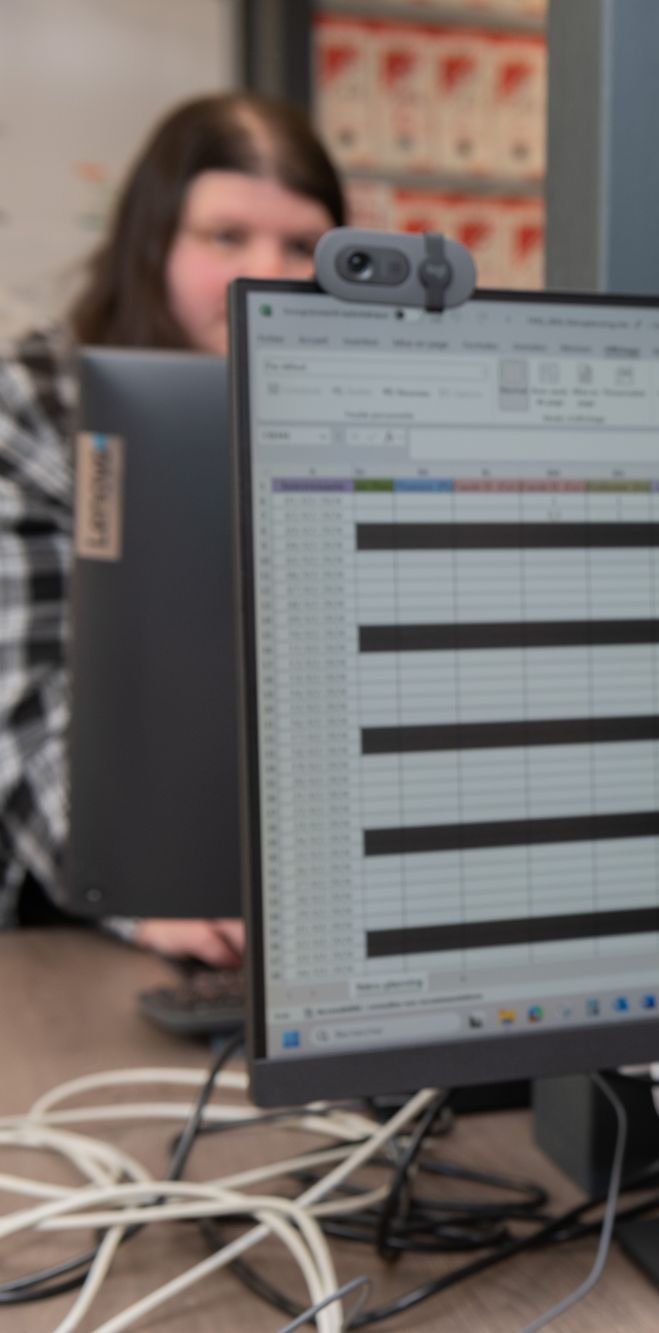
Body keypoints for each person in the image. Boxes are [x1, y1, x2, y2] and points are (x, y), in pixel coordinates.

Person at [0, 94, 343, 965]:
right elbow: (23, 704)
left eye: (302, 244)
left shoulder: (345, 409)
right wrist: (144, 898)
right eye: (225, 236)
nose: (265, 272)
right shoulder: (36, 405)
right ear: (150, 243)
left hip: (293, 902)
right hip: (85, 916)